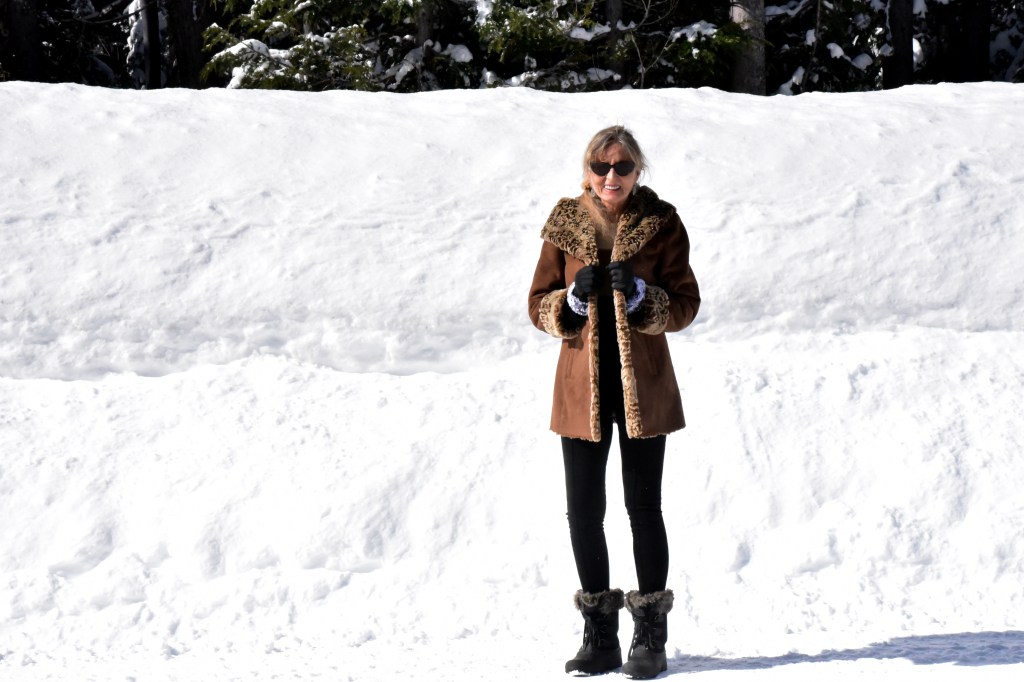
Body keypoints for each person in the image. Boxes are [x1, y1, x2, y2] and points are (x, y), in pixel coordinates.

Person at [527, 126, 701, 679]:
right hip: (580, 388)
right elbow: (537, 304)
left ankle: (650, 638)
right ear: (587, 171)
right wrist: (571, 301)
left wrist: (645, 295)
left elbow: (686, 304)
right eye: (602, 166)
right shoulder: (564, 222)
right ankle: (600, 636)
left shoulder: (661, 222)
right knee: (584, 511)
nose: (611, 177)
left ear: (637, 171)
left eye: (623, 167)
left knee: (643, 508)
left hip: (643, 386)